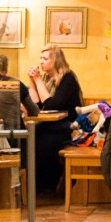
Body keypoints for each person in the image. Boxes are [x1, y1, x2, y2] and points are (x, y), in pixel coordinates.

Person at [27, 45, 83, 190]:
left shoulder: (68, 78)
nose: (41, 62)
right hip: (52, 124)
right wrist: (32, 81)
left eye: (45, 59)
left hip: (70, 125)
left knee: (42, 144)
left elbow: (52, 105)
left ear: (56, 61)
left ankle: (47, 184)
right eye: (40, 58)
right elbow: (37, 106)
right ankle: (37, 184)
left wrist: (38, 80)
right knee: (31, 137)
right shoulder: (46, 78)